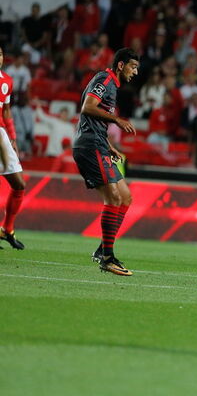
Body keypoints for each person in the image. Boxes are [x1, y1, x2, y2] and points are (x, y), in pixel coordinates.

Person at [72, 48, 139, 275]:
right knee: (113, 197)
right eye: (133, 66)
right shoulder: (105, 79)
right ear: (121, 65)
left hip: (99, 144)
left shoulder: (113, 85)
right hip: (89, 146)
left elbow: (95, 120)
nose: (135, 72)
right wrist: (117, 120)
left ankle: (103, 249)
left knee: (125, 197)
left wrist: (111, 147)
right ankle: (108, 258)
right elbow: (87, 107)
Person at [0, 46, 27, 249]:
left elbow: (7, 111)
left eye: (0, 54)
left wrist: (13, 137)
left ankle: (7, 229)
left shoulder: (7, 81)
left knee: (19, 184)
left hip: (1, 134)